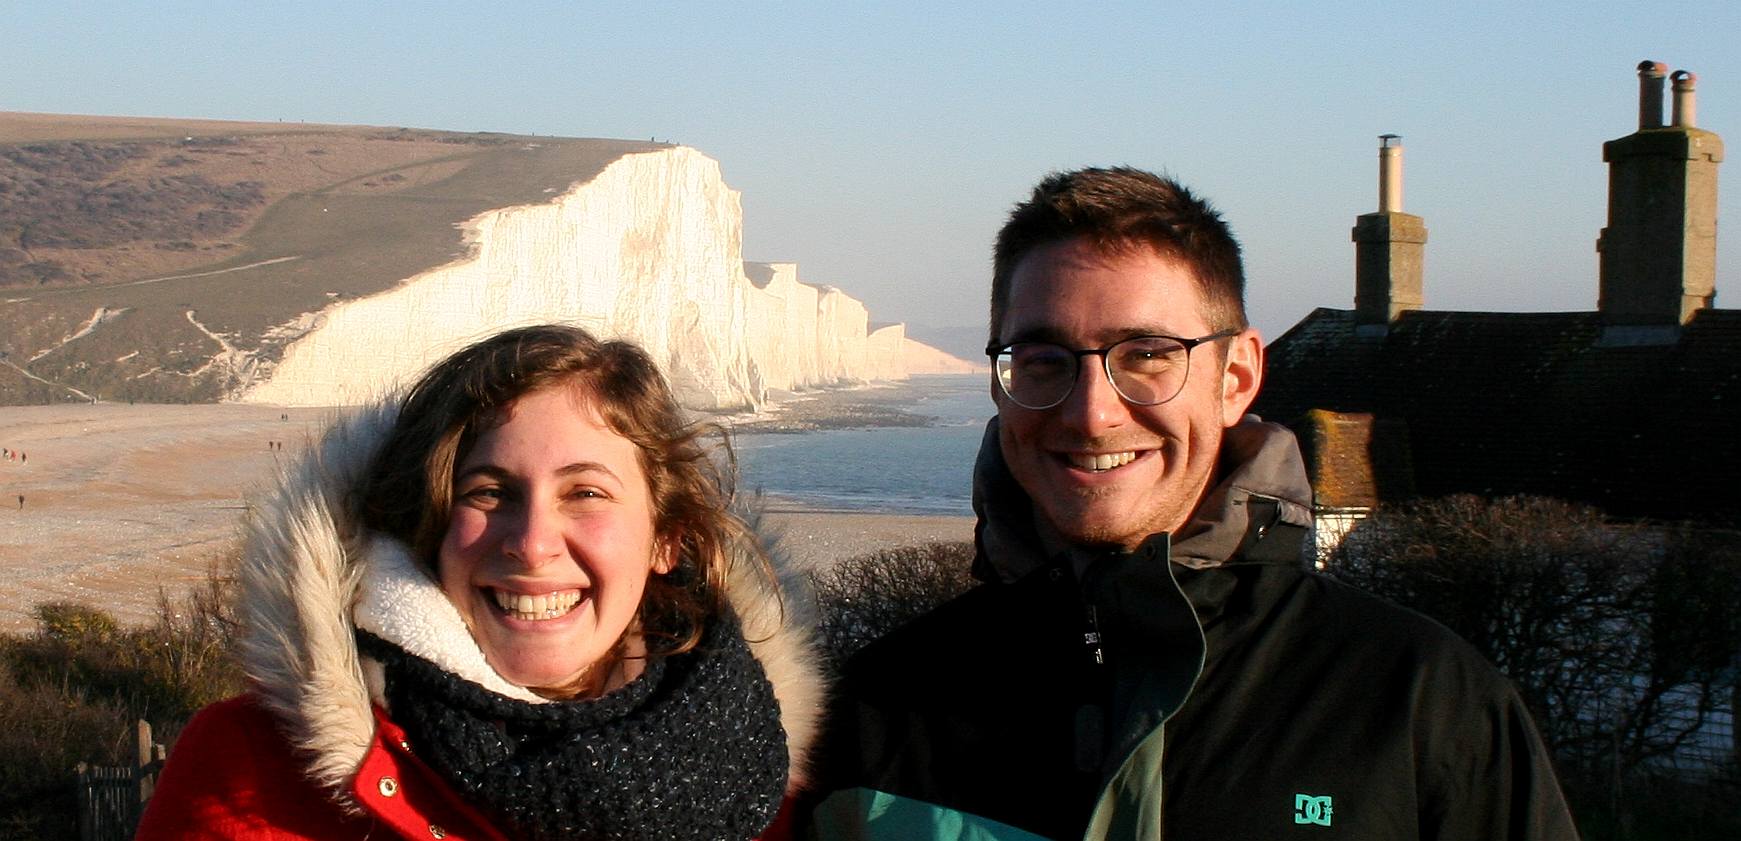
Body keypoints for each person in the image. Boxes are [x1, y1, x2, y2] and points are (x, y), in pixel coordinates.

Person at [811, 168, 1579, 840]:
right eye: (1043, 360)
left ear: (1236, 377)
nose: (1090, 413)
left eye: (1145, 356)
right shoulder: (876, 709)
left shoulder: (1419, 704)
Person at [139, 325, 823, 840]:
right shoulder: (249, 770)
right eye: (489, 491)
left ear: (667, 538)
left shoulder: (758, 783)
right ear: (425, 525)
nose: (531, 542)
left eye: (585, 491)